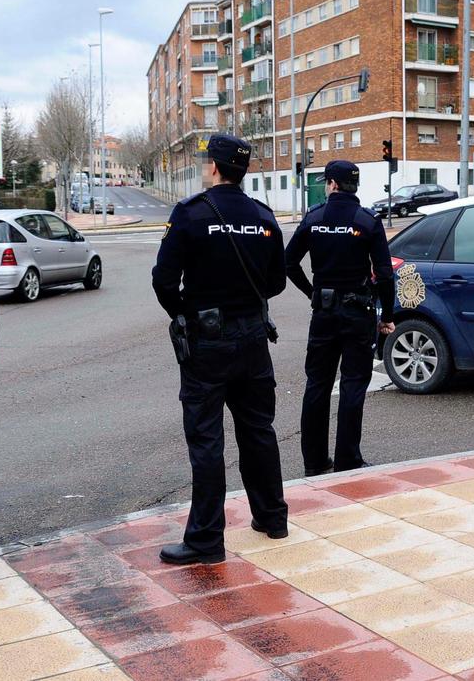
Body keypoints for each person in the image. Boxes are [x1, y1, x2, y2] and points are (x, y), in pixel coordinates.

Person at [152, 134, 288, 565]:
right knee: (258, 430)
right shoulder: (263, 216)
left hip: (208, 343)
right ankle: (272, 517)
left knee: (207, 440)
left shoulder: (191, 214)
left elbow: (163, 281)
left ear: (213, 167)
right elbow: (277, 283)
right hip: (252, 339)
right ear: (241, 170)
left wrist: (187, 313)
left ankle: (207, 540)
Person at [284, 160, 395, 475]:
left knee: (317, 385)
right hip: (358, 312)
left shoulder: (314, 218)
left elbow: (289, 262)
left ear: (332, 184)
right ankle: (347, 460)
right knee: (353, 385)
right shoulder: (368, 221)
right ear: (354, 186)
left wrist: (312, 293)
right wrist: (386, 315)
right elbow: (385, 275)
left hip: (324, 312)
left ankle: (315, 463)